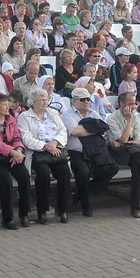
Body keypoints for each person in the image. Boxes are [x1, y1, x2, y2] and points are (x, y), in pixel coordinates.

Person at [0, 93, 32, 230]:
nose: (8, 106)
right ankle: (7, 218)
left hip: (12, 156)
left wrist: (18, 150)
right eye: (4, 104)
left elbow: (17, 137)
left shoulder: (11, 120)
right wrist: (12, 152)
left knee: (24, 176)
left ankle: (24, 213)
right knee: (6, 181)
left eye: (8, 103)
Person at [60, 87, 115, 218]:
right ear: (74, 101)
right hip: (76, 152)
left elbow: (104, 127)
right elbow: (75, 132)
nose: (86, 102)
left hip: (95, 150)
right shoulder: (68, 115)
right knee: (83, 172)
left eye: (88, 99)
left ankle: (83, 192)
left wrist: (84, 128)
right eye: (82, 99)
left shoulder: (93, 113)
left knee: (113, 168)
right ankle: (86, 205)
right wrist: (93, 129)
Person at [19, 90, 72, 225]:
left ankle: (63, 210)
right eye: (41, 100)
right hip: (37, 152)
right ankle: (42, 211)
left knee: (65, 172)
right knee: (43, 174)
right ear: (33, 102)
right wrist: (46, 146)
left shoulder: (53, 113)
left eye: (46, 99)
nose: (45, 102)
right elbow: (26, 138)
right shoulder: (25, 116)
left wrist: (55, 142)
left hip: (55, 149)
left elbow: (62, 131)